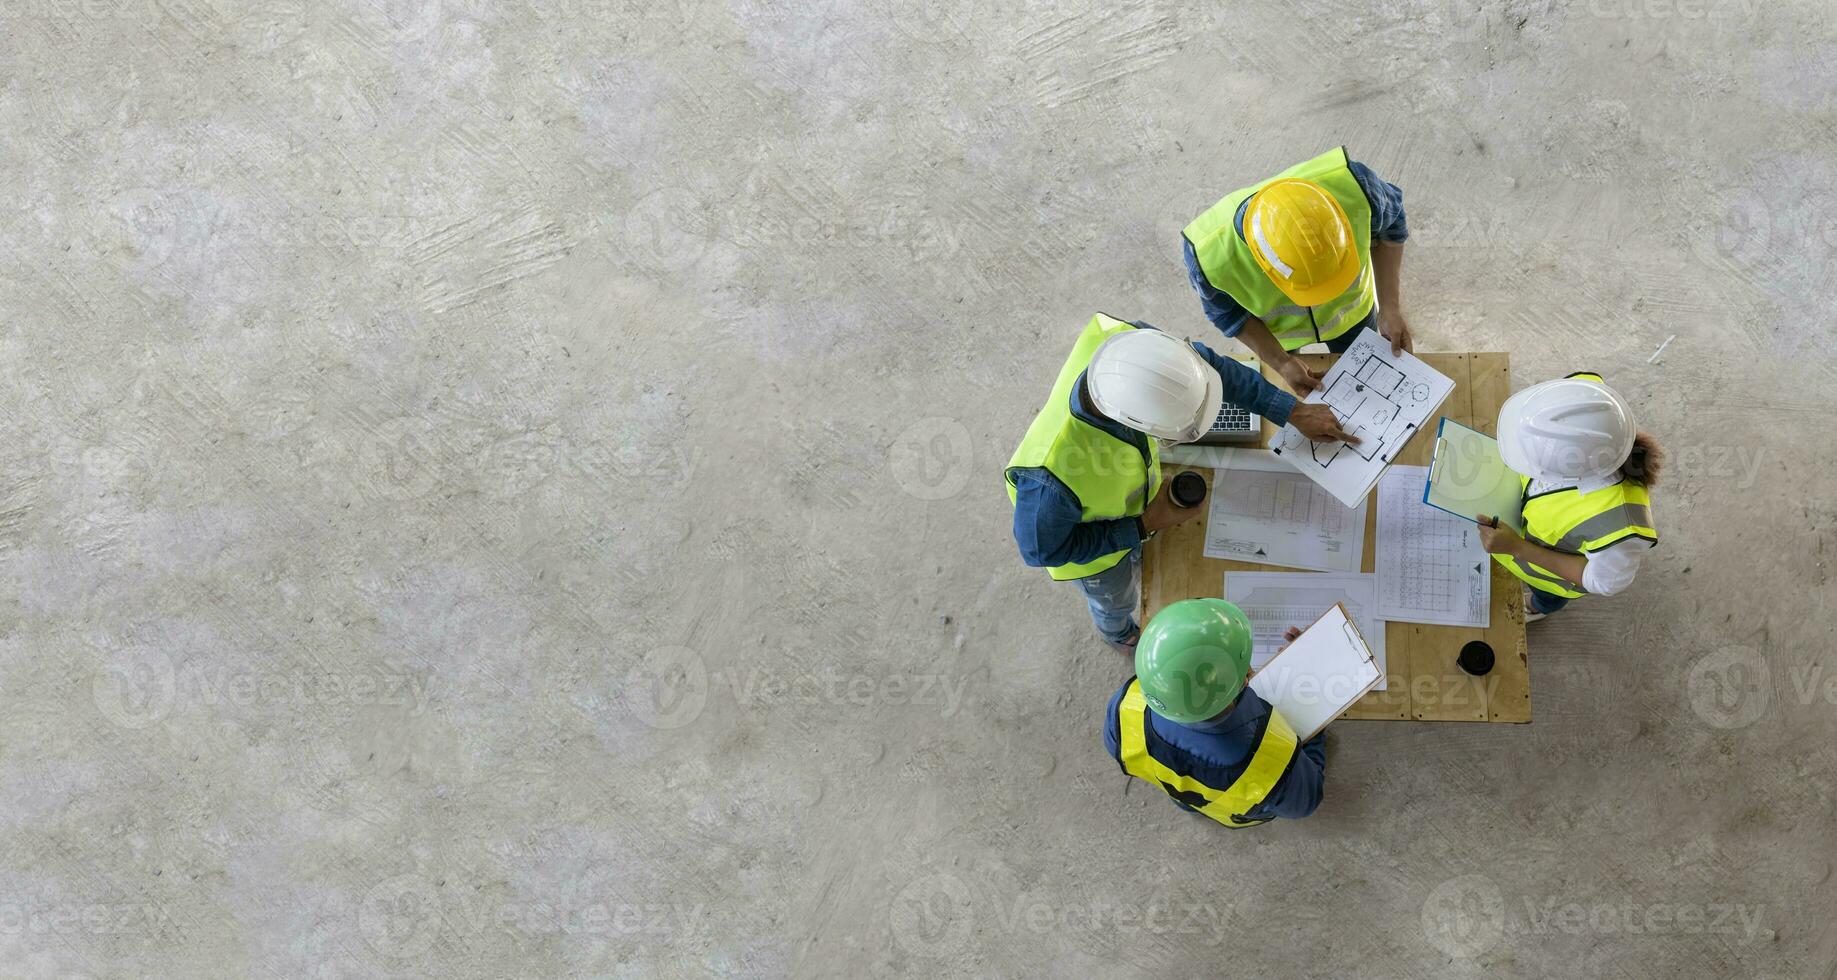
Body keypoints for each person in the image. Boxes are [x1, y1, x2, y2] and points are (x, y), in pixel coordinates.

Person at [1006, 314, 1355, 650]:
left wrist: (1292, 411)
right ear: (1133, 422)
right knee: (1118, 595)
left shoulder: (1133, 347)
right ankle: (1117, 632)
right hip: (1096, 558)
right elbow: (1042, 550)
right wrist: (1143, 525)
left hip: (1127, 500)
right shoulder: (1049, 481)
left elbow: (1207, 368)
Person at [1181, 146, 1412, 397]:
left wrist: (1390, 307)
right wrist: (1280, 362)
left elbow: (1393, 225)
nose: (1325, 298)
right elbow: (1227, 314)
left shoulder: (1356, 188)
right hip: (1280, 337)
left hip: (1353, 316)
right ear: (1263, 262)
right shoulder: (1209, 257)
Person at [1103, 599, 1326, 826]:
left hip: (1186, 794)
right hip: (1237, 811)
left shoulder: (1123, 709)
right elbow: (1306, 801)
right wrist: (1313, 715)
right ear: (1245, 681)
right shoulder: (1271, 762)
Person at [1475, 372, 1662, 621]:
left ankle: (1540, 606)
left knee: (1548, 596)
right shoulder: (1585, 396)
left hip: (1547, 576)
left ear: (1563, 474)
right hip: (1514, 528)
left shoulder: (1621, 529)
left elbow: (1605, 582)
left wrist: (1518, 548)